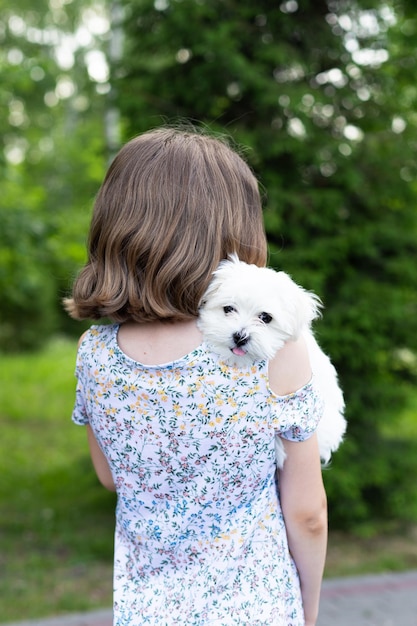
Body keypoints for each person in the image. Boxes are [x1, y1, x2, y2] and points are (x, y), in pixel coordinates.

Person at [65, 126, 327, 626]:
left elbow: (111, 476)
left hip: (147, 611)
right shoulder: (271, 353)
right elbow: (308, 512)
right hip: (259, 609)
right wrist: (308, 609)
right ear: (236, 232)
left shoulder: (93, 352)